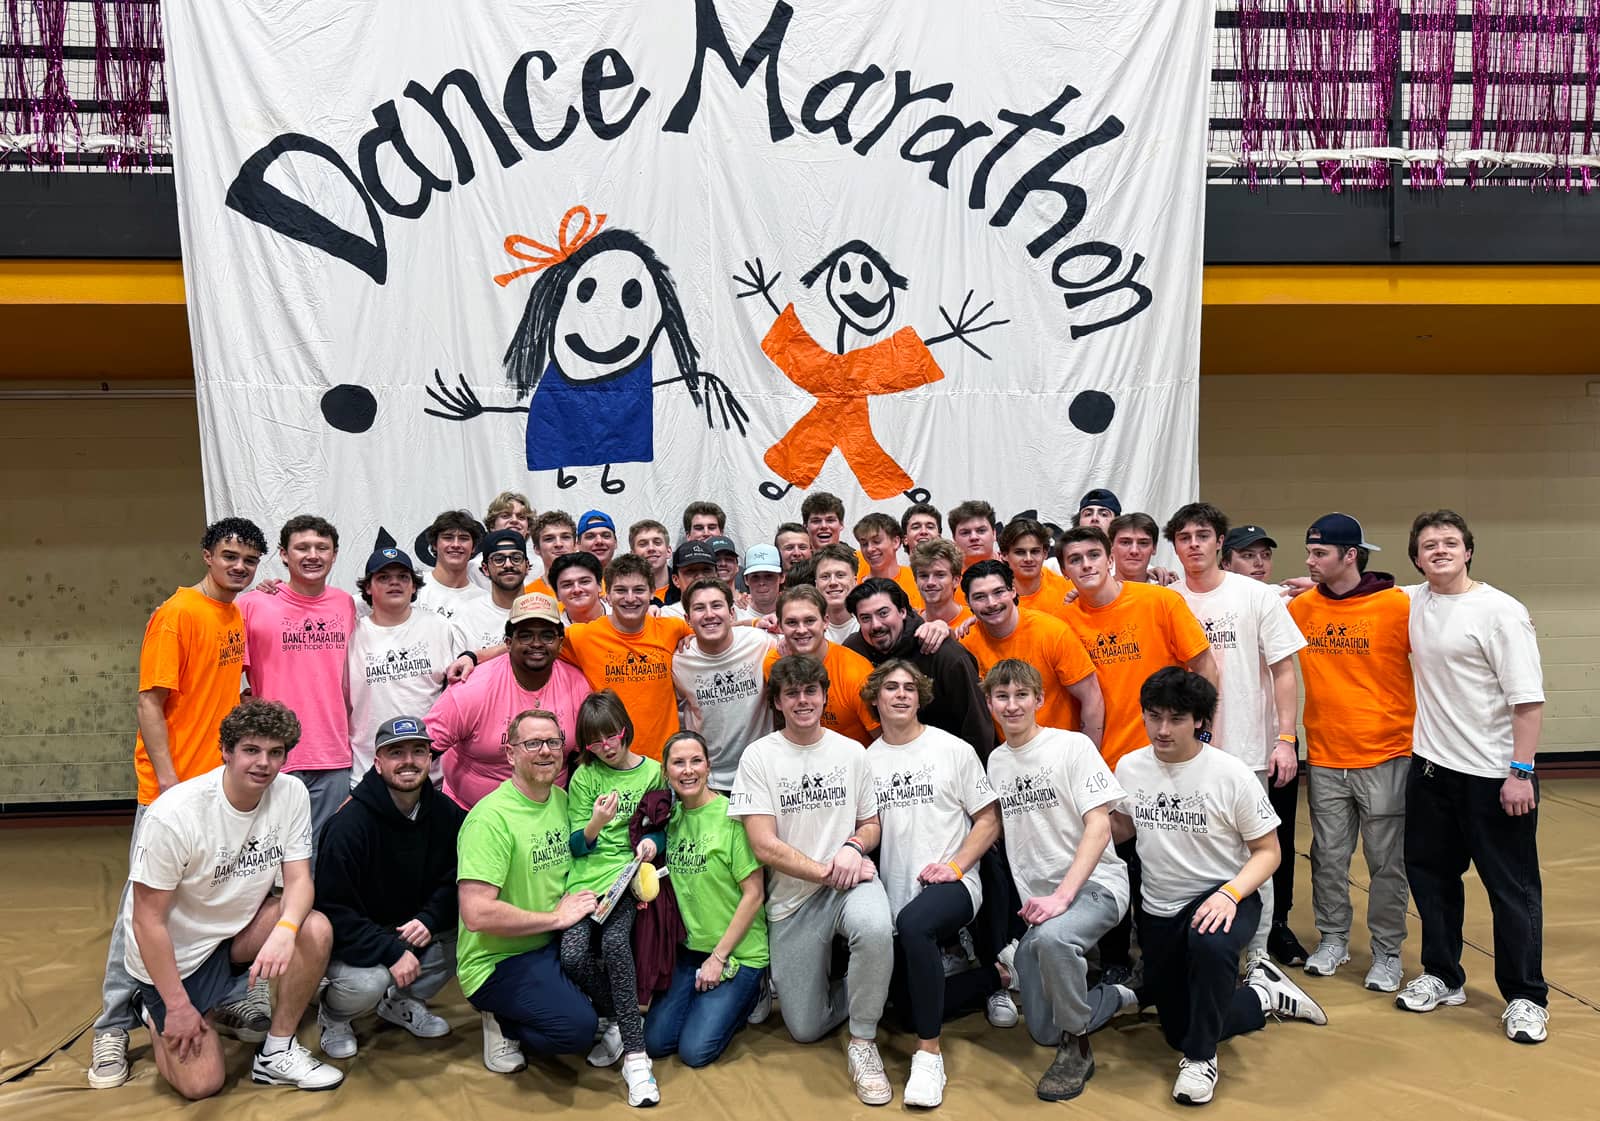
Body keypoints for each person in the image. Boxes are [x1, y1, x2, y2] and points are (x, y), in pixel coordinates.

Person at [89, 517, 266, 1090]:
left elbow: (231, 691)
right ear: (207, 555)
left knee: (216, 894)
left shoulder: (232, 613)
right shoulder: (177, 614)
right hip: (173, 790)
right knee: (141, 908)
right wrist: (167, 784)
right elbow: (148, 702)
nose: (239, 567)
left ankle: (209, 997)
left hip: (219, 785)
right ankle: (112, 1025)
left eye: (249, 560)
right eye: (230, 556)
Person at [1111, 669, 1327, 1107]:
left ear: (1200, 721)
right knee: (1176, 1028)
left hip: (1227, 895)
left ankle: (1201, 1060)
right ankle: (1262, 996)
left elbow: (1269, 852)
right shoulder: (1131, 766)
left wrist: (1230, 893)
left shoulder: (1229, 775)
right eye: (1154, 717)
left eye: (1176, 718)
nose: (1163, 729)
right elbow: (1121, 829)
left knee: (1208, 946)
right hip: (1158, 907)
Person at [122, 699, 342, 1098]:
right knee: (201, 1085)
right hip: (179, 956)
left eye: (276, 753)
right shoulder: (175, 816)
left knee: (313, 927)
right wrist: (177, 1007)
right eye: (251, 750)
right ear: (225, 751)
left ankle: (277, 1052)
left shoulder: (290, 793)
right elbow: (146, 922)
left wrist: (285, 931)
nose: (264, 763)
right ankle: (155, 1012)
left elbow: (298, 881)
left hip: (233, 935)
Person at [1397, 510, 1549, 1044]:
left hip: (1494, 776)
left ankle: (1527, 997)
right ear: (1416, 556)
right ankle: (1442, 975)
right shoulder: (1414, 600)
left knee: (1512, 890)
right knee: (1432, 881)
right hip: (1432, 771)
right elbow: (1361, 589)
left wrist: (1521, 773)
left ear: (1468, 552)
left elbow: (1527, 702)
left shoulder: (1500, 612)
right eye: (1429, 544)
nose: (1439, 550)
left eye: (1450, 542)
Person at [730, 655, 895, 1106]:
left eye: (811, 691)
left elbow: (871, 824)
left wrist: (854, 848)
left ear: (823, 696)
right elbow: (763, 845)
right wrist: (829, 870)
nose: (803, 701)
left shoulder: (852, 752)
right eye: (792, 693)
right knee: (803, 1027)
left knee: (877, 928)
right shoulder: (758, 757)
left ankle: (863, 1041)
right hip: (794, 899)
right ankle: (882, 985)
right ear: (778, 702)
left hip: (851, 882)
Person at [1055, 526, 1214, 984]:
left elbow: (1202, 666)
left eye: (1092, 555)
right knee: (1110, 862)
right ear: (1064, 571)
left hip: (1159, 758)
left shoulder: (1158, 602)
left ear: (1109, 558)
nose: (1085, 565)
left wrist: (1201, 738)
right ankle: (1116, 961)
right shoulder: (1064, 618)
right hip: (1100, 764)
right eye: (1074, 559)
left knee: (1161, 863)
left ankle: (1167, 958)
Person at [983, 659, 1134, 1103]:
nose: (1012, 706)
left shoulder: (1071, 747)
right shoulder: (996, 761)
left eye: (1021, 695)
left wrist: (1062, 896)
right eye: (1002, 697)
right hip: (1044, 907)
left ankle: (1079, 1048)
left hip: (1095, 886)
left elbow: (1101, 825)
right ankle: (1116, 995)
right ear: (990, 702)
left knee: (1053, 944)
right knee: (1043, 1031)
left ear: (1039, 700)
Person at [1166, 503, 1306, 975]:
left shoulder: (1256, 596)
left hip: (1248, 749)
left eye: (1203, 535)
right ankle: (1201, 944)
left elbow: (1284, 671)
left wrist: (1285, 738)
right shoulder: (1166, 599)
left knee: (1255, 852)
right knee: (1194, 851)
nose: (1194, 545)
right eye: (1184, 537)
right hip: (1187, 753)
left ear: (1219, 542)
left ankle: (1260, 953)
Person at [864, 661, 1004, 1108]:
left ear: (921, 697)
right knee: (903, 1009)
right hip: (895, 892)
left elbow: (988, 819)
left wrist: (958, 867)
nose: (901, 695)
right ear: (876, 698)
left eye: (909, 688)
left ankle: (929, 1058)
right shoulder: (865, 761)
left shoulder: (953, 750)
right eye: (891, 687)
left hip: (956, 882)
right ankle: (993, 977)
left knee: (916, 924)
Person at [1287, 514, 1414, 990]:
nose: (1310, 561)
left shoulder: (1395, 606)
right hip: (1325, 757)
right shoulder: (1302, 608)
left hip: (1385, 755)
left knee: (1386, 863)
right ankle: (1334, 939)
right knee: (1329, 857)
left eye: (1320, 554)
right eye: (1309, 552)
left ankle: (1386, 953)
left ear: (1350, 556)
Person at [456, 708, 600, 1074]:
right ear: (510, 753)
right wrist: (556, 917)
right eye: (533, 743)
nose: (546, 751)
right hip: (498, 961)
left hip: (550, 944)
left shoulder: (562, 800)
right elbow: (476, 914)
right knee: (577, 1031)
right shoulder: (490, 820)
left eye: (553, 742)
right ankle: (501, 1021)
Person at [315, 716, 466, 1058]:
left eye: (418, 751)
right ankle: (333, 1014)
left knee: (474, 933)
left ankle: (401, 1003)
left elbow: (457, 878)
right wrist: (390, 951)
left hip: (409, 928)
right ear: (378, 762)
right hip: (353, 942)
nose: (409, 761)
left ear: (430, 759)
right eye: (396, 753)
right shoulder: (348, 825)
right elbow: (332, 911)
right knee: (369, 983)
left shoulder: (446, 814)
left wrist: (430, 918)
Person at [562, 691, 668, 1105]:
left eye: (612, 736)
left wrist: (651, 847)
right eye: (594, 742)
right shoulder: (585, 777)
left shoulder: (653, 772)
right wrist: (596, 823)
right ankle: (618, 1018)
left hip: (626, 878)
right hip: (585, 880)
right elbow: (576, 845)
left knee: (614, 943)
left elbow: (660, 827)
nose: (606, 747)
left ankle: (637, 1058)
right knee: (572, 955)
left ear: (625, 728)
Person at [644, 731, 769, 1066]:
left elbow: (754, 894)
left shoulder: (732, 818)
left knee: (694, 1052)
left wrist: (718, 957)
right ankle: (704, 1003)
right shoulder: (669, 820)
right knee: (655, 1042)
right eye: (679, 763)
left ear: (709, 767)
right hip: (689, 952)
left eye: (696, 761)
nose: (688, 770)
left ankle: (751, 993)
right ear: (666, 772)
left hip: (737, 952)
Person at [1220, 523, 1310, 966]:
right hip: (1211, 746)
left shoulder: (1279, 598)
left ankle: (1272, 934)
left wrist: (1286, 739)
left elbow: (1370, 588)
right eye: (1247, 555)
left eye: (1264, 555)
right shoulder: (1181, 595)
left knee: (1273, 843)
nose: (1258, 563)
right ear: (1226, 558)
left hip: (1267, 747)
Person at [237, 515, 357, 846]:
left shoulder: (345, 604)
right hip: (272, 752)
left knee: (320, 851)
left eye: (322, 547)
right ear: (283, 555)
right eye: (302, 547)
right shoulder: (253, 604)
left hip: (332, 753)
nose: (313, 555)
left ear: (335, 555)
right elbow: (221, 672)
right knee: (265, 850)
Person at [426, 593, 591, 807]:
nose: (537, 644)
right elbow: (422, 749)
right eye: (525, 636)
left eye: (547, 636)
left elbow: (588, 758)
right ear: (508, 642)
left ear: (560, 642)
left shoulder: (577, 685)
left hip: (550, 814)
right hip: (471, 812)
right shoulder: (471, 688)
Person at [560, 554, 693, 762]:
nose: (630, 598)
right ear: (608, 595)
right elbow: (532, 644)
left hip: (662, 763)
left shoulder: (672, 628)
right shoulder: (582, 636)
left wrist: (754, 623)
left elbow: (713, 632)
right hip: (610, 763)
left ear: (651, 593)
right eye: (621, 590)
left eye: (639, 590)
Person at [959, 559, 1104, 746]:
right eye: (980, 597)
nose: (991, 603)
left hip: (1063, 752)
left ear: (1012, 591)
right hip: (1010, 756)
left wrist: (1087, 759)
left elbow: (1092, 698)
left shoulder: (1051, 632)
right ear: (968, 602)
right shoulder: (966, 644)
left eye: (998, 592)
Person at [845, 578, 994, 759]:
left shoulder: (944, 654)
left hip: (949, 766)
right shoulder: (853, 652)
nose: (876, 625)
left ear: (902, 612)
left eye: (883, 613)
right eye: (865, 618)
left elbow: (977, 725)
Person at [347, 548, 457, 785]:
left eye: (403, 577)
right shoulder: (351, 633)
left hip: (432, 775)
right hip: (369, 773)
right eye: (383, 577)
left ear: (414, 586)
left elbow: (456, 692)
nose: (394, 583)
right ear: (367, 587)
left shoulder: (438, 626)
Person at [673, 579, 778, 790]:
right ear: (688, 619)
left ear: (731, 613)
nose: (709, 614)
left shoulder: (761, 643)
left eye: (716, 605)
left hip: (762, 772)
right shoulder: (679, 660)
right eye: (699, 608)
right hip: (709, 779)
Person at [764, 586, 879, 746]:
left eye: (810, 620)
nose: (802, 630)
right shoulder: (773, 664)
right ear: (781, 627)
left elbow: (882, 739)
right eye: (792, 622)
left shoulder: (856, 672)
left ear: (825, 622)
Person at [450, 528, 527, 662]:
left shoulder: (544, 608)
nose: (508, 564)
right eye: (498, 559)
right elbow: (458, 670)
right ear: (485, 569)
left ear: (527, 566)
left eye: (516, 558)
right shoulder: (466, 615)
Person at [416, 509, 490, 620]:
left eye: (463, 538)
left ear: (474, 547)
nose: (456, 544)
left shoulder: (484, 600)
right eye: (448, 538)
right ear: (434, 544)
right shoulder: (414, 589)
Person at [1002, 517, 1074, 622]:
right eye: (1020, 552)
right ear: (1004, 555)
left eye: (1035, 551)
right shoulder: (993, 595)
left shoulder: (1068, 590)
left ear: (1045, 553)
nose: (1028, 559)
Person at [853, 512, 924, 610]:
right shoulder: (856, 586)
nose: (870, 549)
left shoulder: (918, 579)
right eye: (864, 544)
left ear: (896, 542)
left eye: (876, 541)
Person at [911, 538, 974, 628]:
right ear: (915, 580)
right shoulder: (909, 625)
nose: (930, 582)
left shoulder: (973, 621)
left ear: (956, 580)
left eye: (940, 575)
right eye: (924, 576)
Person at [813, 542, 863, 643]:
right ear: (816, 584)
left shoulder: (869, 624)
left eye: (840, 575)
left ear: (855, 581)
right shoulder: (807, 628)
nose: (833, 582)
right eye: (825, 576)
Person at [523, 510, 578, 598]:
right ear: (537, 549)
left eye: (565, 537)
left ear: (575, 545)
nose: (558, 544)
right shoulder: (527, 595)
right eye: (549, 539)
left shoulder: (598, 588)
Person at [660, 539, 719, 617]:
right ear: (676, 580)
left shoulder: (735, 610)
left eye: (706, 570)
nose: (700, 577)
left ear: (717, 575)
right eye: (690, 571)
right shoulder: (665, 616)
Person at [551, 551, 610, 625]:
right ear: (557, 594)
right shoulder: (554, 629)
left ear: (600, 586)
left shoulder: (621, 616)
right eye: (567, 585)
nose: (577, 589)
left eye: (584, 582)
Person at [1107, 512, 1162, 584]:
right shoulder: (1094, 591)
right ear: (1111, 546)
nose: (1134, 551)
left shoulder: (1169, 591)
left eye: (1143, 543)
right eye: (1125, 542)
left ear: (1154, 548)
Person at [628, 518, 674, 602]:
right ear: (632, 555)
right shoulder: (626, 596)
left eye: (657, 542)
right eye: (643, 544)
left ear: (668, 551)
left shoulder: (684, 588)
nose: (651, 548)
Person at [947, 500, 999, 572]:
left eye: (981, 531)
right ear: (954, 539)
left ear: (994, 534)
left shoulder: (1012, 567)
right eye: (965, 533)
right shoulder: (945, 575)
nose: (973, 537)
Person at [743, 544, 785, 617]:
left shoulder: (795, 613)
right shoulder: (734, 614)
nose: (761, 583)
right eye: (755, 577)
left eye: (769, 576)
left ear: (782, 577)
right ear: (746, 580)